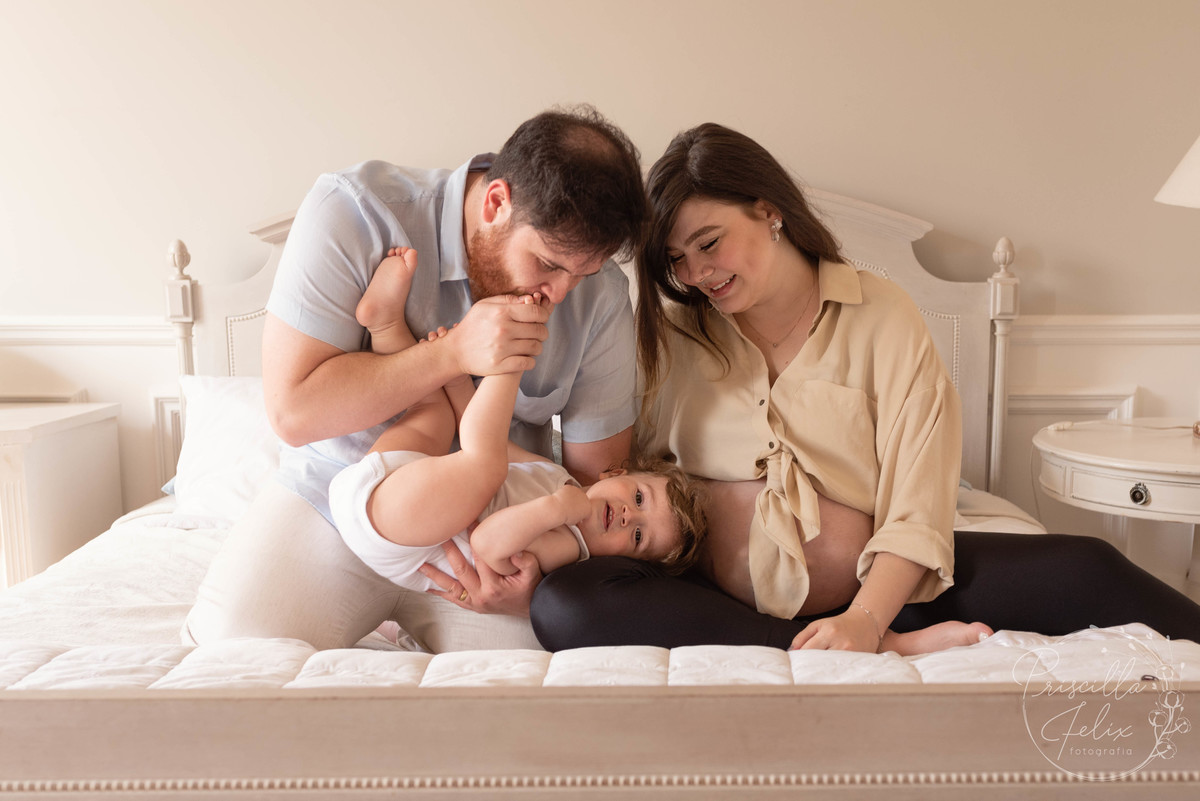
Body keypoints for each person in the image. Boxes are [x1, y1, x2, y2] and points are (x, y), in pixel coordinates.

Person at [531, 122, 1200, 652]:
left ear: (768, 210)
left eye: (710, 243)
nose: (697, 273)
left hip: (881, 591)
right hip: (711, 600)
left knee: (1090, 566)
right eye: (677, 259)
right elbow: (624, 481)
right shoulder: (673, 334)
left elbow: (918, 503)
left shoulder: (882, 315)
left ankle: (863, 634)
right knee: (563, 604)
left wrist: (864, 617)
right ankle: (823, 647)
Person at [184, 105, 646, 652]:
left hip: (498, 536)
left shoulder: (602, 297)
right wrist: (452, 353)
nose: (561, 294)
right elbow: (294, 411)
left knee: (566, 676)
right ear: (496, 203)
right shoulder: (356, 212)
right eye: (549, 264)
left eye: (582, 273)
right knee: (233, 654)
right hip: (348, 500)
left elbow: (595, 481)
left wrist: (535, 586)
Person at [329, 248, 705, 594]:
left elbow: (486, 543)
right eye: (639, 498)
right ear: (616, 474)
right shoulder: (561, 479)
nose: (628, 516)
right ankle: (384, 325)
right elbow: (499, 446)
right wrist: (457, 381)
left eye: (638, 536)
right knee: (433, 412)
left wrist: (556, 509)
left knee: (485, 463)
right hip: (387, 482)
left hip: (398, 532)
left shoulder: (568, 547)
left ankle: (517, 350)